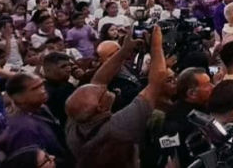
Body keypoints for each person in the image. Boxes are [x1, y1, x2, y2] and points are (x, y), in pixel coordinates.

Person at [64, 26, 165, 168]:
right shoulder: (117, 127)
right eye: (101, 92)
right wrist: (156, 46)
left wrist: (124, 50)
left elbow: (98, 80)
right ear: (100, 107)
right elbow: (156, 84)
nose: (103, 87)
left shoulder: (74, 125)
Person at [2, 72, 72, 168]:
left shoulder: (41, 107)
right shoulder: (24, 129)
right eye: (35, 88)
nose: (43, 90)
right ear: (19, 98)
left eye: (42, 85)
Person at [160, 68, 214, 168]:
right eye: (207, 85)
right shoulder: (179, 121)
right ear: (191, 94)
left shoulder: (203, 108)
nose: (212, 87)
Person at [42, 52, 76, 127]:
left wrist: (83, 78)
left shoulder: (67, 85)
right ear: (48, 70)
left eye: (69, 65)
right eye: (63, 66)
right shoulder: (44, 93)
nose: (69, 69)